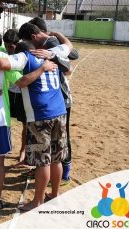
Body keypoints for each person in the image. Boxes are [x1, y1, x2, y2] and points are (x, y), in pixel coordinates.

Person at [0, 23, 73, 211]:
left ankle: (38, 201)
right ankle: (55, 194)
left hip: (40, 115)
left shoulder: (25, 57)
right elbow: (69, 47)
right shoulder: (53, 54)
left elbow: (3, 64)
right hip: (60, 111)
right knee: (57, 158)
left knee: (43, 161)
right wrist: (57, 34)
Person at [29, 17, 79, 184]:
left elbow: (72, 60)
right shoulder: (45, 45)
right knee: (51, 141)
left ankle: (65, 173)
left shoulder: (50, 44)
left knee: (61, 141)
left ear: (37, 33)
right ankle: (49, 172)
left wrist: (54, 51)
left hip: (61, 99)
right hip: (55, 100)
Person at [3, 29, 27, 162]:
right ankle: (5, 145)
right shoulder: (3, 53)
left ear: (18, 44)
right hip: (9, 93)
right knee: (4, 122)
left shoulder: (25, 55)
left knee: (26, 125)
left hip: (24, 95)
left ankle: (23, 150)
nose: (8, 50)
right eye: (6, 47)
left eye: (11, 47)